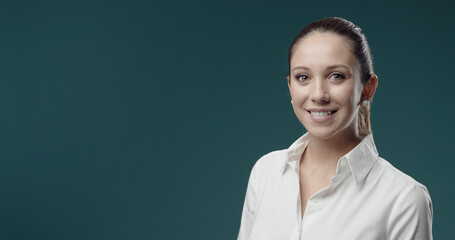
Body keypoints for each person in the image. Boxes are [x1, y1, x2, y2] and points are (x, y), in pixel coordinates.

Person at [237, 17, 433, 240]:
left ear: (367, 89)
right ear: (290, 86)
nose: (319, 94)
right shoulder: (265, 172)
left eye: (336, 76)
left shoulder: (404, 198)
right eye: (303, 77)